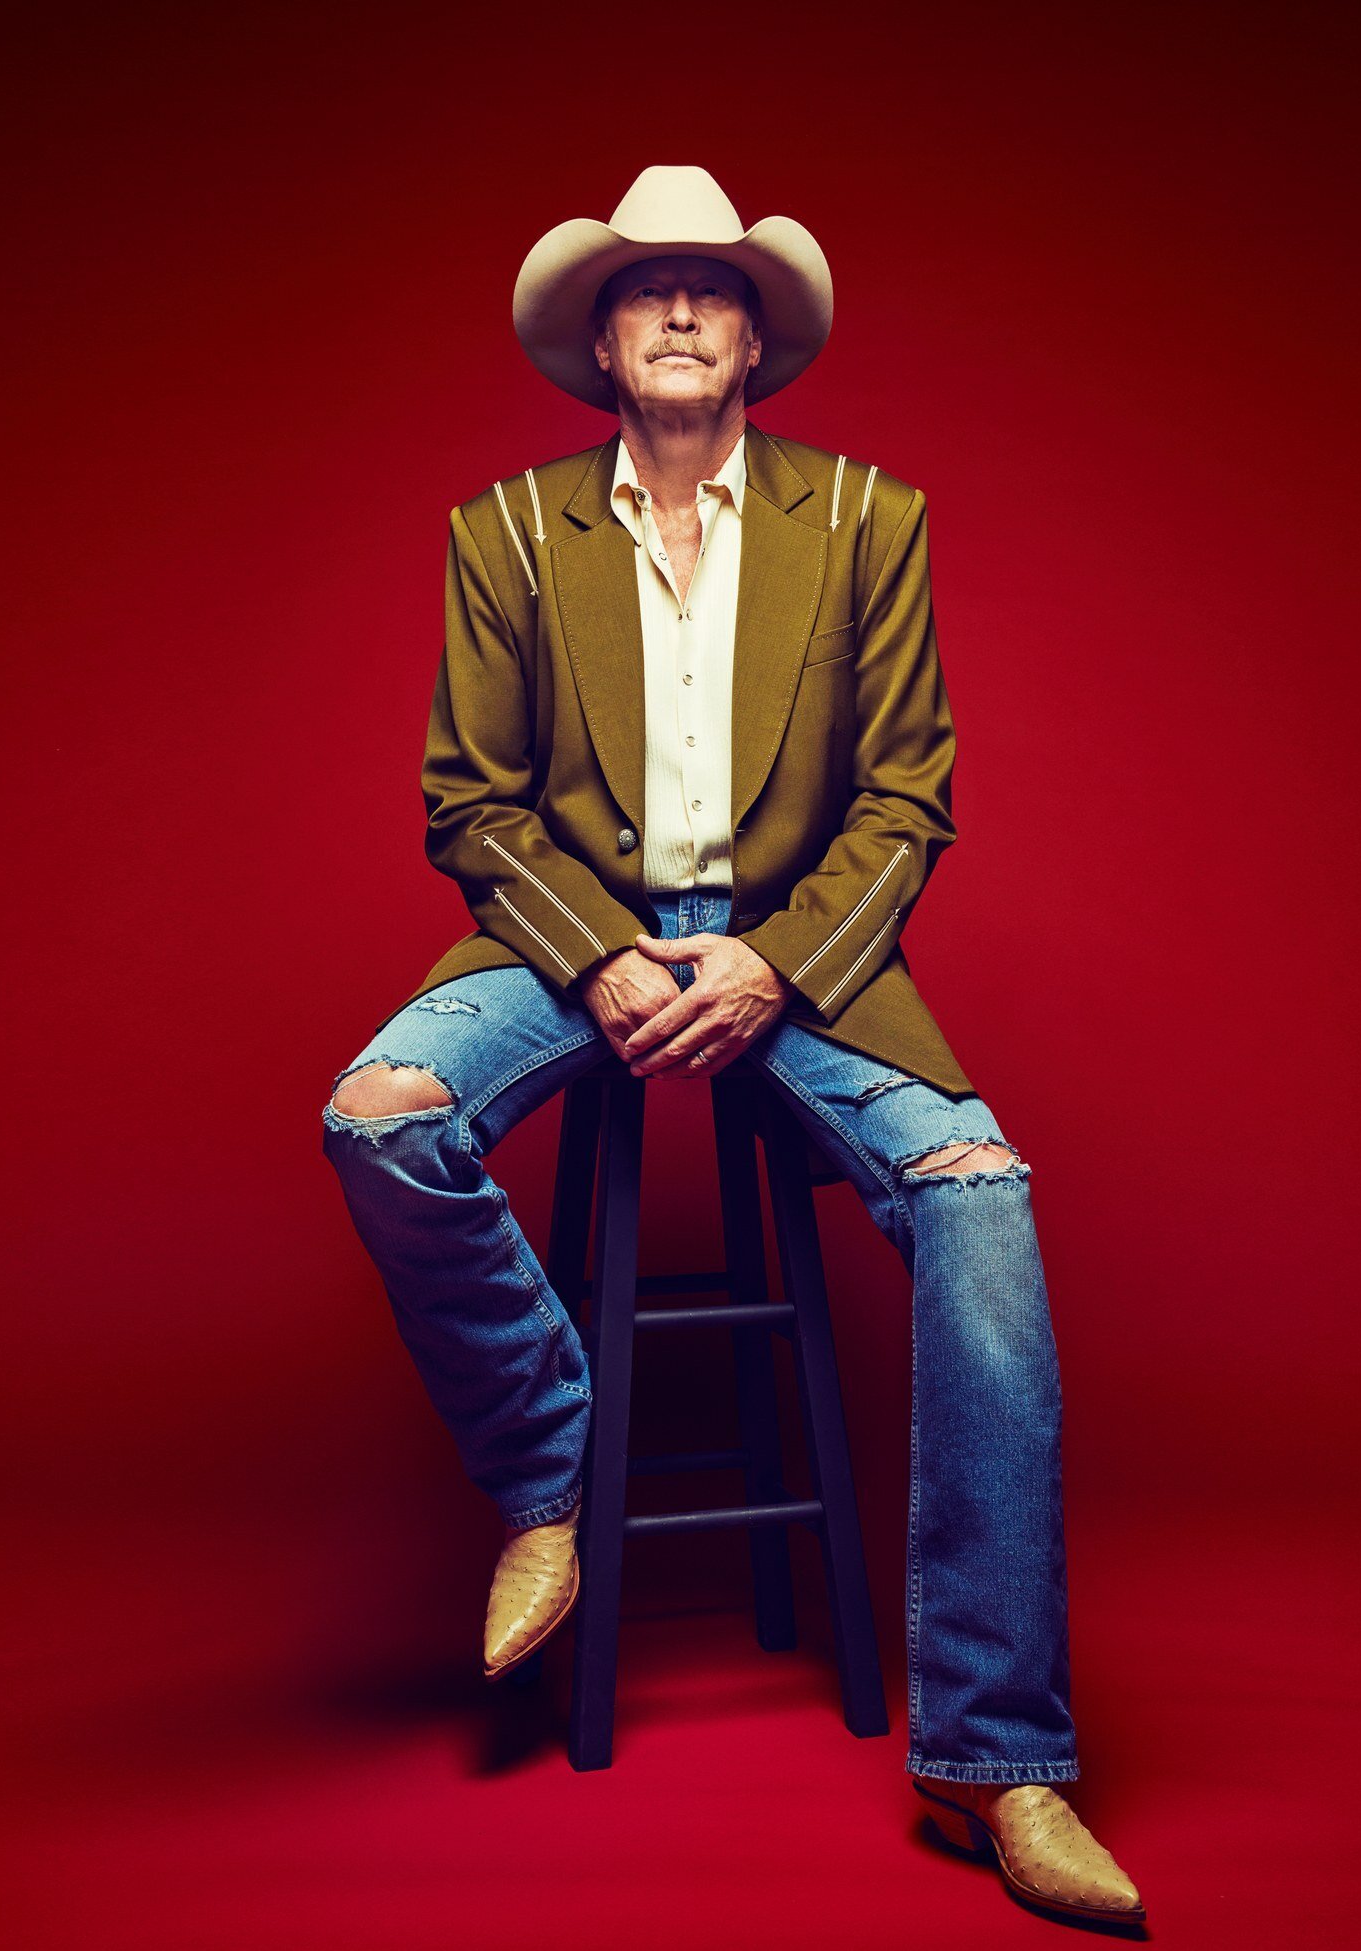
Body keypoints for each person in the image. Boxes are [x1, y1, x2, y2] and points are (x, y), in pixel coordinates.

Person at [320, 165, 1145, 1928]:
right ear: (603, 341)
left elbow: (907, 800)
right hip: (572, 946)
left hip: (801, 957)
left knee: (985, 1200)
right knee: (379, 1116)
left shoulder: (868, 521)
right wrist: (603, 958)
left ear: (758, 339)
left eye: (716, 288)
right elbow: (471, 805)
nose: (684, 309)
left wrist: (771, 967)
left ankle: (995, 1756)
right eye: (649, 288)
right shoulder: (506, 531)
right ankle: (551, 1465)